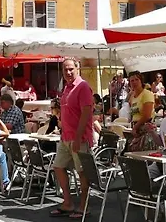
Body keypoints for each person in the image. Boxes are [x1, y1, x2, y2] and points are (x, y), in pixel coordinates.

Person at [50, 58, 93, 218]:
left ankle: (84, 207)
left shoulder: (83, 86)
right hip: (65, 137)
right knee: (58, 167)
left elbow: (86, 114)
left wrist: (78, 137)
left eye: (71, 69)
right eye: (65, 69)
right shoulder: (66, 87)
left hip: (79, 138)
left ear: (77, 68)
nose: (68, 72)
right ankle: (68, 203)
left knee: (82, 173)